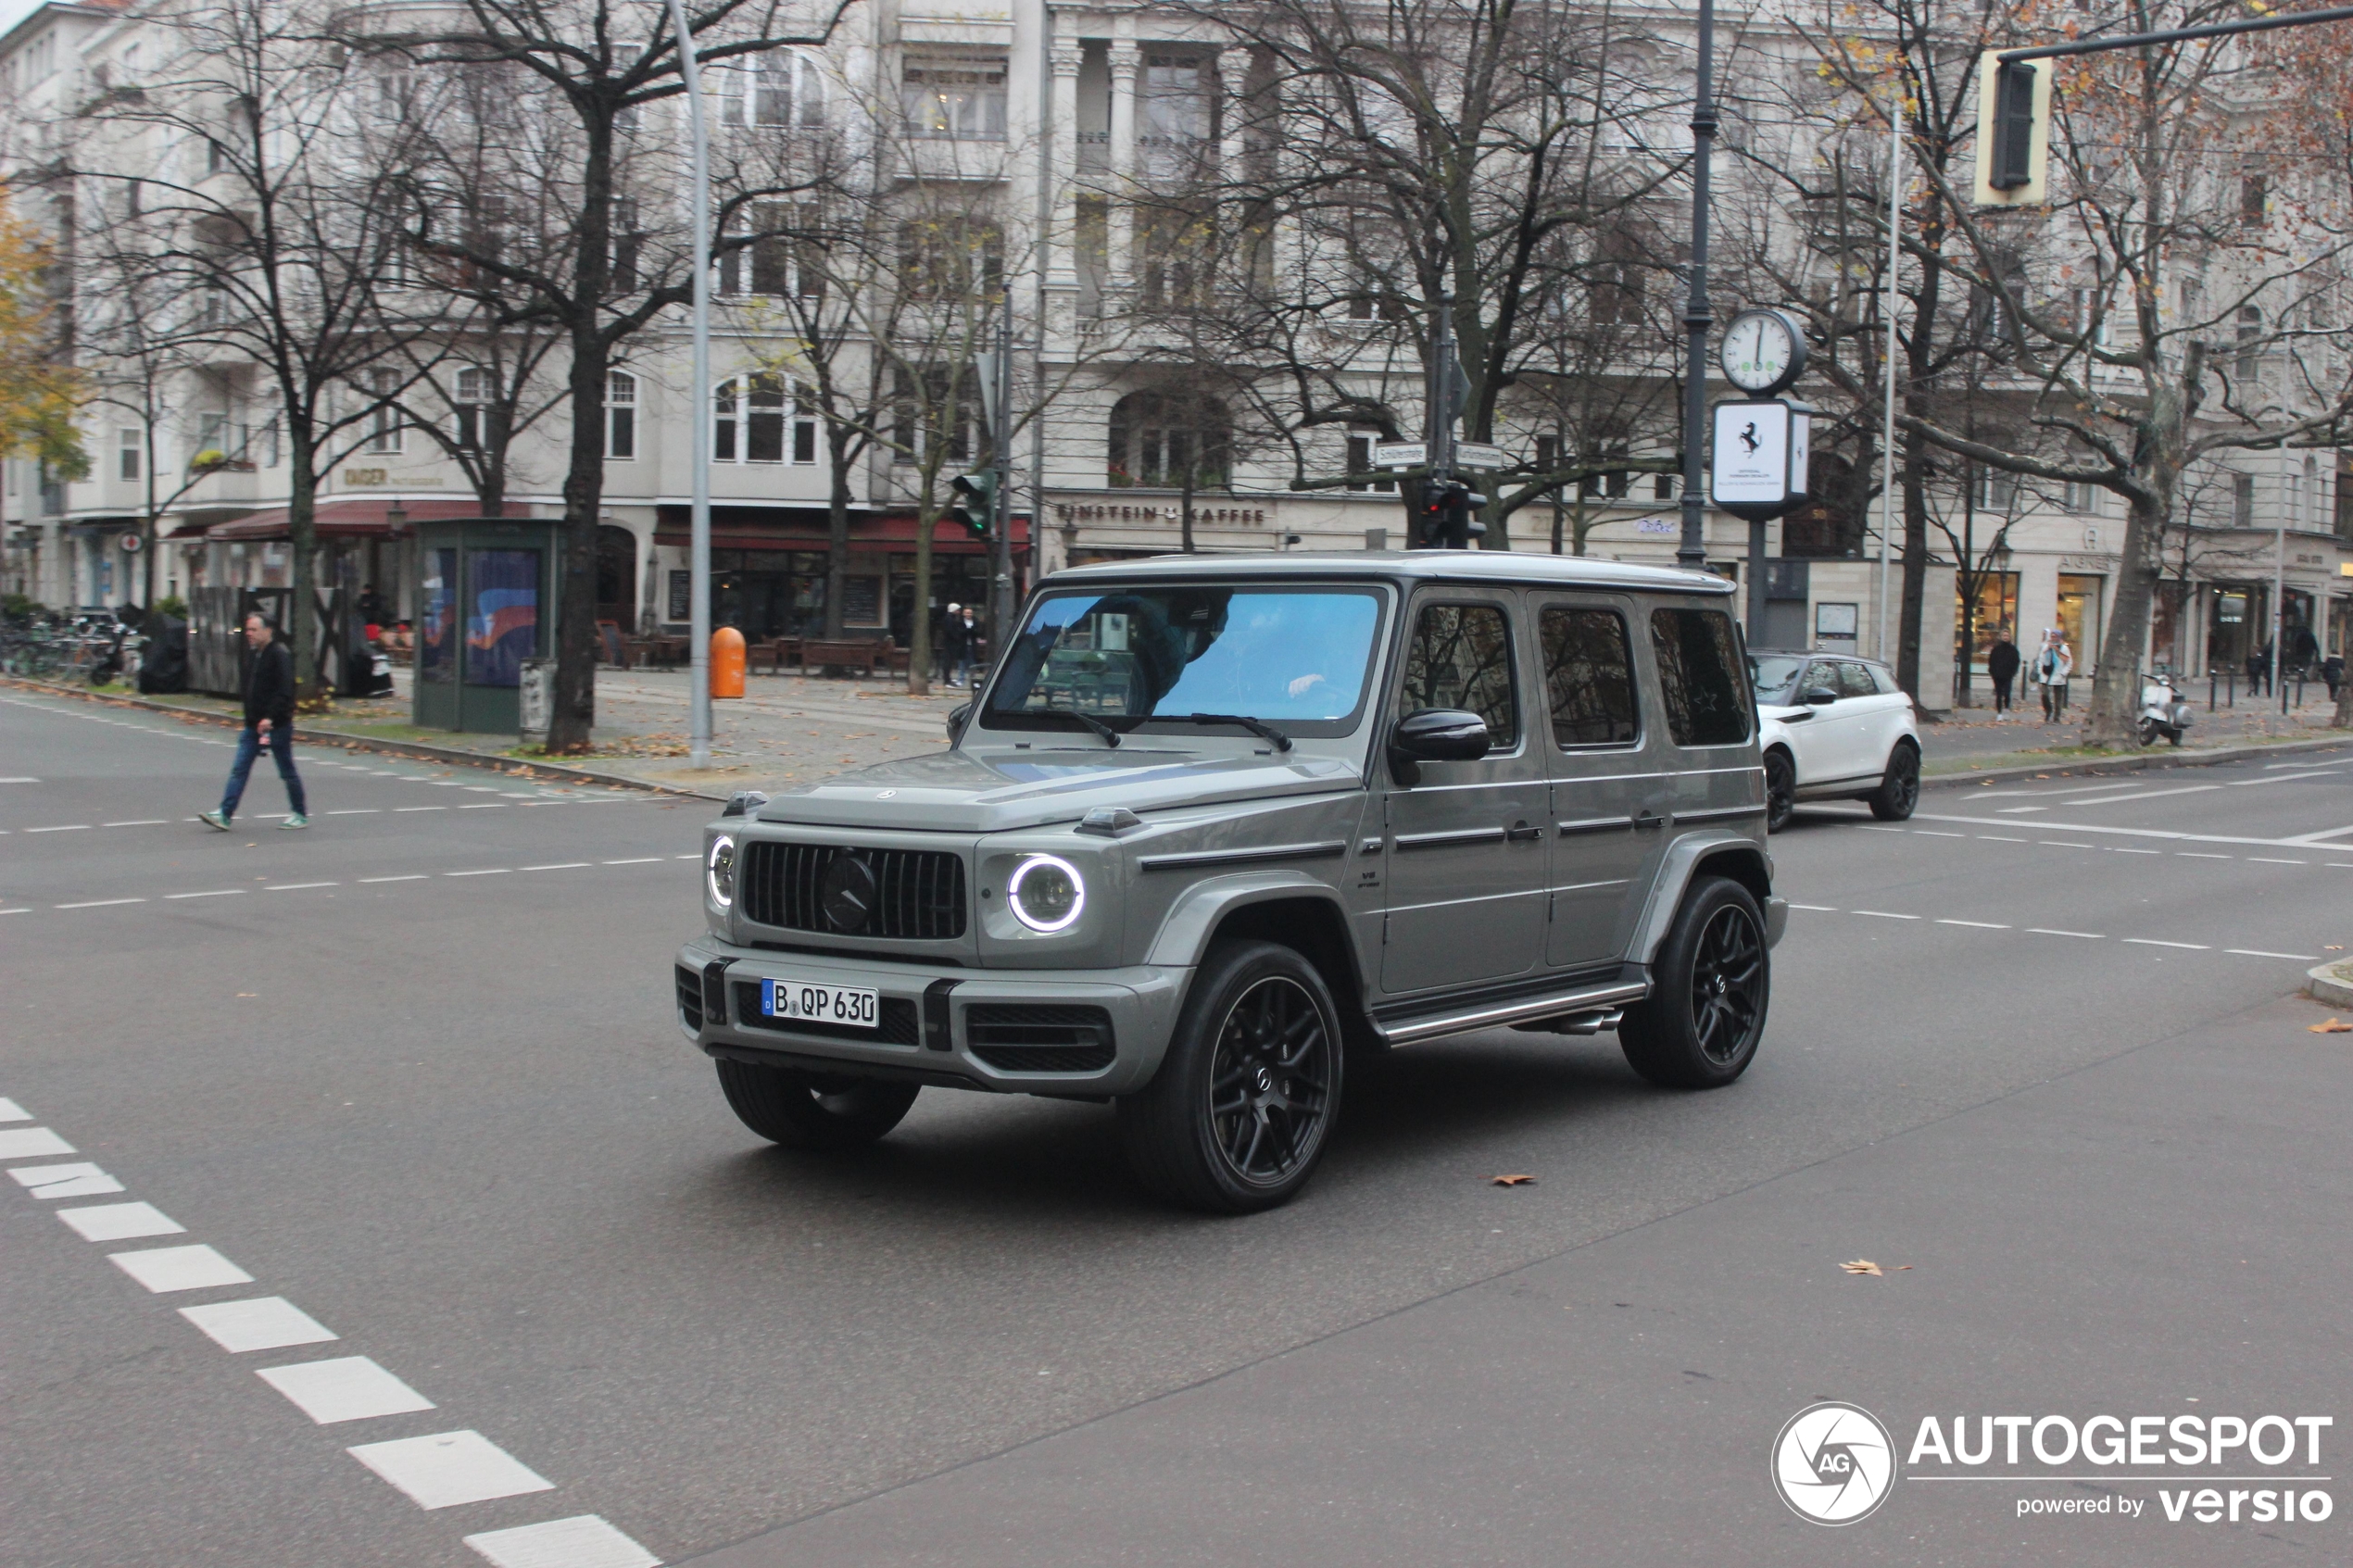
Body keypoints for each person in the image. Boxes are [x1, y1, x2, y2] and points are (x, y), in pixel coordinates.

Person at [200, 612, 308, 831]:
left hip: (276, 726)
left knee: (286, 770)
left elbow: (285, 691)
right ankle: (225, 814)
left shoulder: (279, 655)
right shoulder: (254, 655)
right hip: (252, 726)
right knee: (239, 769)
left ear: (268, 631)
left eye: (253, 630)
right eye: (247, 630)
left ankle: (299, 813)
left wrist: (270, 717)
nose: (248, 634)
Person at [2032, 628, 2073, 721]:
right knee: (2044, 695)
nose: (2053, 638)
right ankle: (2048, 711)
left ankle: (2057, 716)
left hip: (2058, 675)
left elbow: (2069, 662)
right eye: (2052, 636)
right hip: (2046, 675)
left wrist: (2063, 673)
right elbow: (2040, 659)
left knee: (2058, 698)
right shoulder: (2046, 647)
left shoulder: (2064, 648)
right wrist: (2040, 671)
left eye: (2055, 636)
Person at [1986, 624, 2020, 720]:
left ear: (2010, 637)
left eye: (2007, 636)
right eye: (2004, 636)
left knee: (2007, 693)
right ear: (2001, 637)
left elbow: (2016, 662)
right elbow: (1991, 661)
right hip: (1997, 675)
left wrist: (2013, 672)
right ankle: (1999, 712)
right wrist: (1993, 672)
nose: (2006, 637)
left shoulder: (2013, 650)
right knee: (1999, 694)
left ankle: (2006, 709)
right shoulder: (1996, 649)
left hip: (2008, 675)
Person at [938, 601, 967, 686]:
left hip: (950, 642)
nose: (958, 612)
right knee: (948, 661)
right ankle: (947, 680)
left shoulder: (951, 618)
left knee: (949, 661)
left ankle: (947, 679)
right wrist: (957, 637)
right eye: (957, 610)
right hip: (950, 643)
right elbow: (950, 631)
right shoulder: (949, 619)